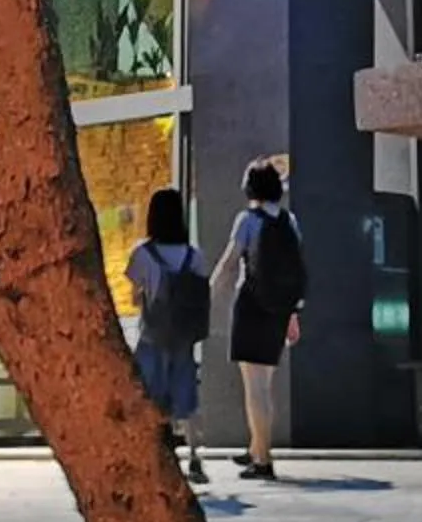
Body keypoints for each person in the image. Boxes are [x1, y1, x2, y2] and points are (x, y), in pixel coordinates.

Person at [210, 159, 307, 482]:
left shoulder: (247, 220)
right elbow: (294, 270)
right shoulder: (289, 221)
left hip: (251, 306)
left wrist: (208, 293)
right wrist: (293, 313)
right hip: (279, 310)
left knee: (254, 389)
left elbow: (228, 264)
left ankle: (263, 460)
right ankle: (255, 447)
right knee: (264, 386)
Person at [125, 187, 210, 484]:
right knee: (186, 399)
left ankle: (155, 456)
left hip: (152, 336)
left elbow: (135, 298)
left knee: (149, 395)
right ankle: (195, 456)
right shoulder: (194, 255)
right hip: (184, 338)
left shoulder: (141, 254)